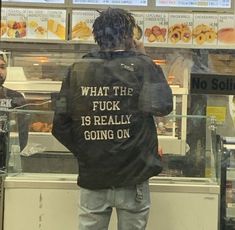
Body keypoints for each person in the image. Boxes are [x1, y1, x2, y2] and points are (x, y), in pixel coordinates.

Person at [52, 8, 173, 230]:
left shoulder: (78, 69)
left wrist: (90, 151)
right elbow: (162, 106)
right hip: (133, 176)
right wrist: (144, 56)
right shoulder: (142, 66)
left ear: (97, 37)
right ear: (129, 36)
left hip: (94, 177)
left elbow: (60, 126)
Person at [0, 51, 28, 169]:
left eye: (2, 67)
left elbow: (22, 136)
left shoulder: (15, 98)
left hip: (6, 162)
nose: (0, 71)